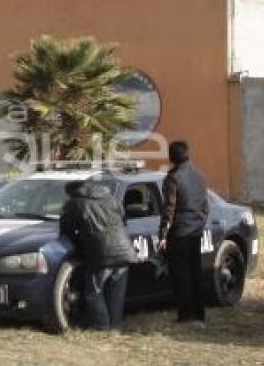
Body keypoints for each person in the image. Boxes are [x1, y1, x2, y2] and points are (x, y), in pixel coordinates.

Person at [60, 180, 138, 330]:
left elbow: (66, 232)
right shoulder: (111, 198)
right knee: (116, 293)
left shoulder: (74, 203)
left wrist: (80, 247)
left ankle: (101, 325)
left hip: (101, 254)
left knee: (93, 291)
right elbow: (123, 221)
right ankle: (113, 326)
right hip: (124, 252)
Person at [157, 141, 209, 324]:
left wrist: (163, 234)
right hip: (195, 230)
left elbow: (169, 208)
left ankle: (186, 314)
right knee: (195, 272)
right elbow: (205, 205)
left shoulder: (173, 178)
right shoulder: (199, 175)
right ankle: (199, 313)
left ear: (171, 157)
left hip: (179, 232)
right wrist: (200, 223)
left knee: (181, 274)